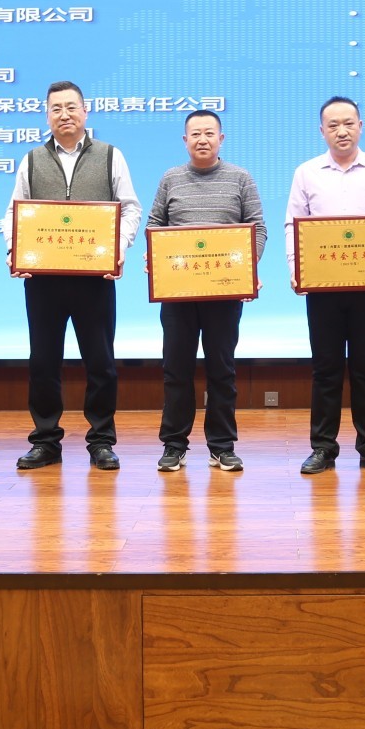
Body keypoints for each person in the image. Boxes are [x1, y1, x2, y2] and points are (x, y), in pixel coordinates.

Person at [1, 80, 141, 471]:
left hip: (94, 278)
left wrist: (118, 247)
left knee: (101, 362)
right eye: (56, 108)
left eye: (71, 107)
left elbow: (130, 207)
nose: (64, 114)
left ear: (85, 111)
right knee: (43, 362)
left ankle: (101, 441)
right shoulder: (31, 159)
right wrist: (15, 251)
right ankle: (46, 441)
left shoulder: (110, 156)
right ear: (47, 115)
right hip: (43, 279)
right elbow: (14, 212)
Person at [284, 96, 365, 475]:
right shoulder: (307, 172)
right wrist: (296, 269)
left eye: (348, 123)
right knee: (326, 369)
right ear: (321, 131)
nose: (342, 131)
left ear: (361, 127)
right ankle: (323, 447)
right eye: (333, 125)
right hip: (323, 288)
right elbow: (293, 224)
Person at [147, 109, 266, 473]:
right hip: (178, 294)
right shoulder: (171, 178)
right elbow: (155, 225)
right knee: (176, 371)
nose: (202, 139)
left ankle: (222, 446)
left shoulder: (240, 178)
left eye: (209, 133)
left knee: (222, 371)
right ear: (185, 141)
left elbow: (257, 228)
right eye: (195, 134)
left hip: (224, 294)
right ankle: (174, 445)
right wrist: (153, 258)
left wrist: (247, 269)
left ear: (221, 139)